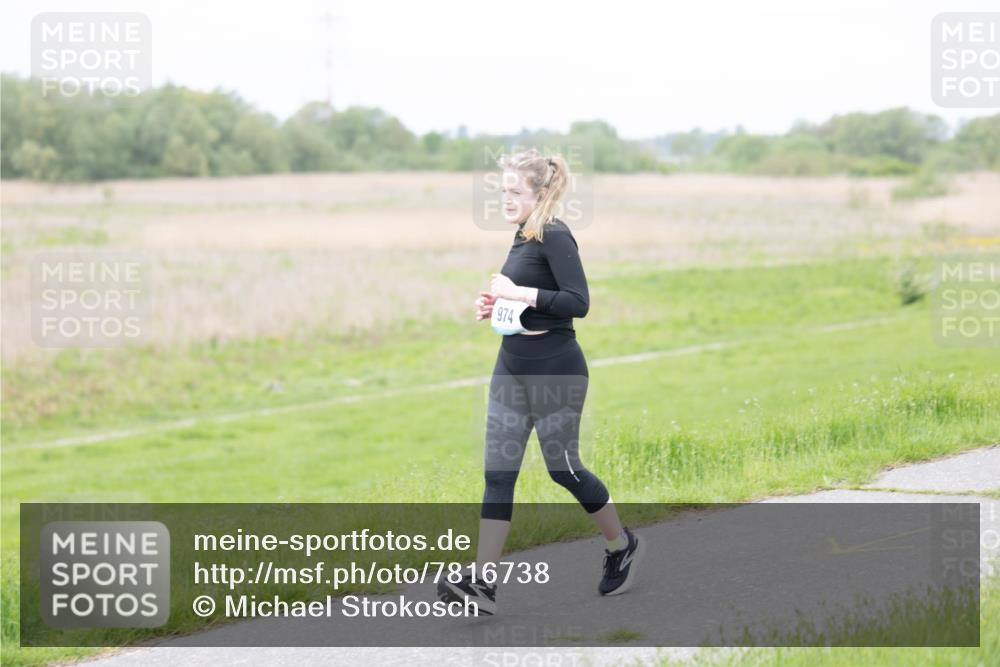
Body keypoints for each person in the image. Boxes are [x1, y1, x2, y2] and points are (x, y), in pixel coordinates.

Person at [437, 148, 644, 616]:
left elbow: (577, 302)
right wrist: (500, 307)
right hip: (511, 365)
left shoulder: (555, 233)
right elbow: (532, 301)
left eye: (515, 191)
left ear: (541, 192)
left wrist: (518, 292)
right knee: (498, 473)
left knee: (563, 469)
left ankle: (621, 544)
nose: (506, 199)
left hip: (556, 367)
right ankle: (483, 583)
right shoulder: (522, 234)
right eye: (503, 191)